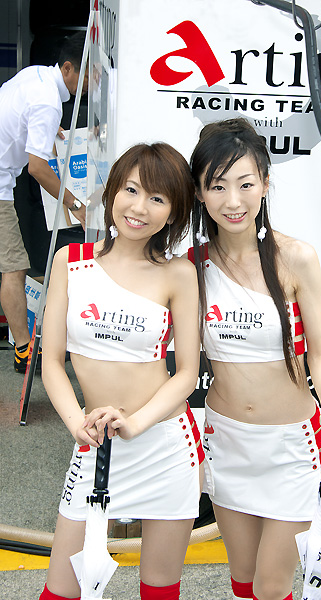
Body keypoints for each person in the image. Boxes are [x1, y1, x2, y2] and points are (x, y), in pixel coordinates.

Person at [188, 118, 321, 600]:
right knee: (243, 581)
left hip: (291, 448)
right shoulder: (192, 268)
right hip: (226, 441)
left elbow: (319, 351)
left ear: (264, 182)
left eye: (245, 184)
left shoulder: (296, 257)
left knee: (272, 585)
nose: (233, 201)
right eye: (217, 186)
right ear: (199, 193)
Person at [40, 143, 203, 600]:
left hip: (164, 445)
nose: (139, 207)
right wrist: (77, 425)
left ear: (173, 212)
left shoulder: (179, 273)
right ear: (112, 191)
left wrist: (135, 424)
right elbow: (51, 361)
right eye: (131, 190)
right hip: (92, 439)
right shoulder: (71, 261)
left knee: (159, 592)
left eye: (157, 198)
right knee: (60, 591)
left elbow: (186, 374)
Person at [0, 31, 88, 373]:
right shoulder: (49, 103)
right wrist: (75, 205)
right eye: (88, 76)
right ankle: (24, 350)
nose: (91, 85)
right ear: (67, 69)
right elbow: (37, 168)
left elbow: (20, 114)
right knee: (14, 267)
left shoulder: (36, 75)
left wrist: (49, 130)